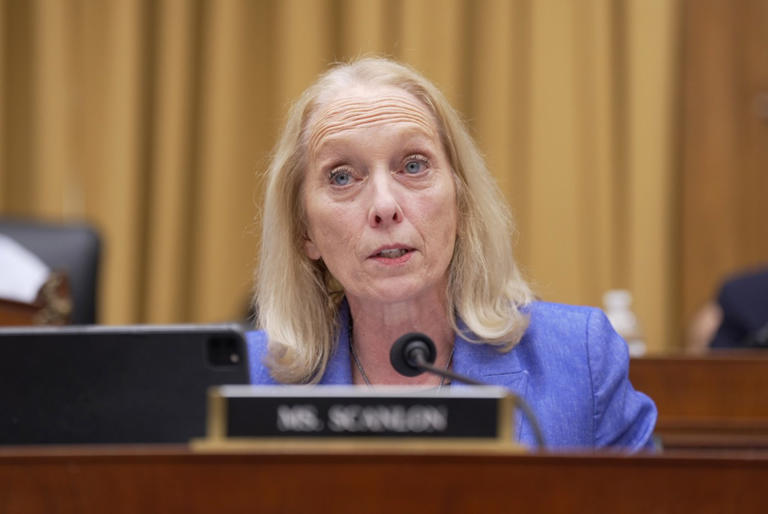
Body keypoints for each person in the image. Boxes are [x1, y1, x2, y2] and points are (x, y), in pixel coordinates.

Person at [247, 57, 656, 451]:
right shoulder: (246, 383)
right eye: (341, 177)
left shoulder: (579, 362)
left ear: (461, 201)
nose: (384, 206)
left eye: (413, 166)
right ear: (304, 230)